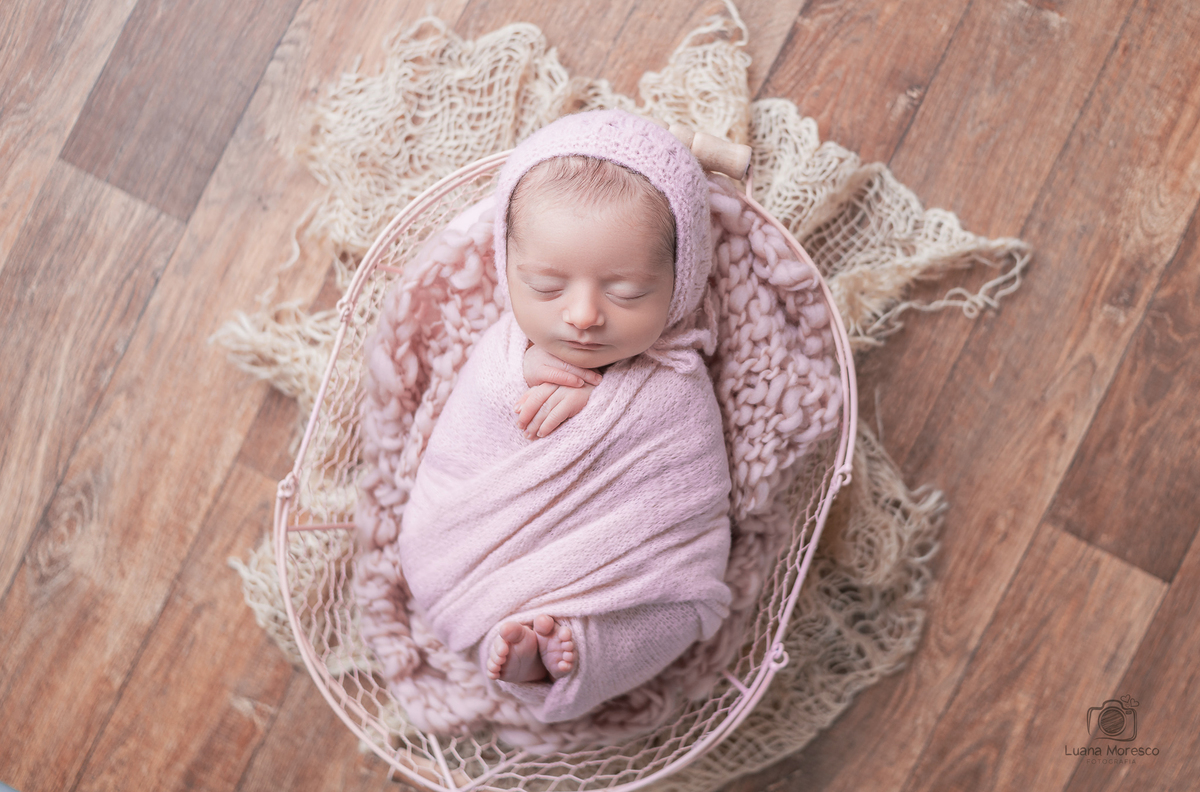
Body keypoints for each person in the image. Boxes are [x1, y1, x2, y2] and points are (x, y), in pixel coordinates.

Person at [396, 109, 732, 722]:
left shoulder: (676, 382)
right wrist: (513, 382)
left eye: (627, 292)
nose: (582, 315)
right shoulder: (502, 351)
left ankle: (564, 653)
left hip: (618, 569)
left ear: (682, 283)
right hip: (467, 550)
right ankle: (523, 640)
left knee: (677, 608)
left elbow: (683, 485)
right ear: (506, 269)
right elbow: (465, 431)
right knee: (424, 539)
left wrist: (606, 416)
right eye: (547, 287)